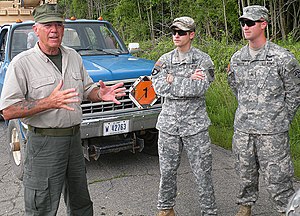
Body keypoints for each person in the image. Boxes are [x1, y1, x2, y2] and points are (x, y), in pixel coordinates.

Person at [0, 3, 125, 216]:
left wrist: (99, 95)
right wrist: (49, 102)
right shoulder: (22, 64)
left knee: (81, 202)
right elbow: (8, 110)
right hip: (44, 144)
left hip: (75, 141)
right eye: (48, 25)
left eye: (58, 24)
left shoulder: (73, 56)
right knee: (41, 206)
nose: (54, 30)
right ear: (36, 29)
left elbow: (86, 89)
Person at [227, 5, 300, 216]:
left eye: (250, 22)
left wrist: (281, 118)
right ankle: (245, 207)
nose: (245, 27)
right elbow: (235, 87)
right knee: (244, 174)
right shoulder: (237, 58)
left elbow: (294, 92)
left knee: (279, 178)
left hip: (273, 132)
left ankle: (287, 211)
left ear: (263, 24)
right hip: (243, 129)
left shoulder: (282, 58)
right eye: (243, 23)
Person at [151, 16, 217, 216]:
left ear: (191, 35)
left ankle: (209, 211)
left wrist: (173, 79)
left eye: (181, 32)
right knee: (167, 172)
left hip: (195, 126)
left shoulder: (203, 60)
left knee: (202, 173)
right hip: (169, 126)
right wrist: (186, 78)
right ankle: (165, 208)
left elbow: (199, 87)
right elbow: (159, 87)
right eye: (174, 32)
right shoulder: (164, 60)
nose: (176, 36)